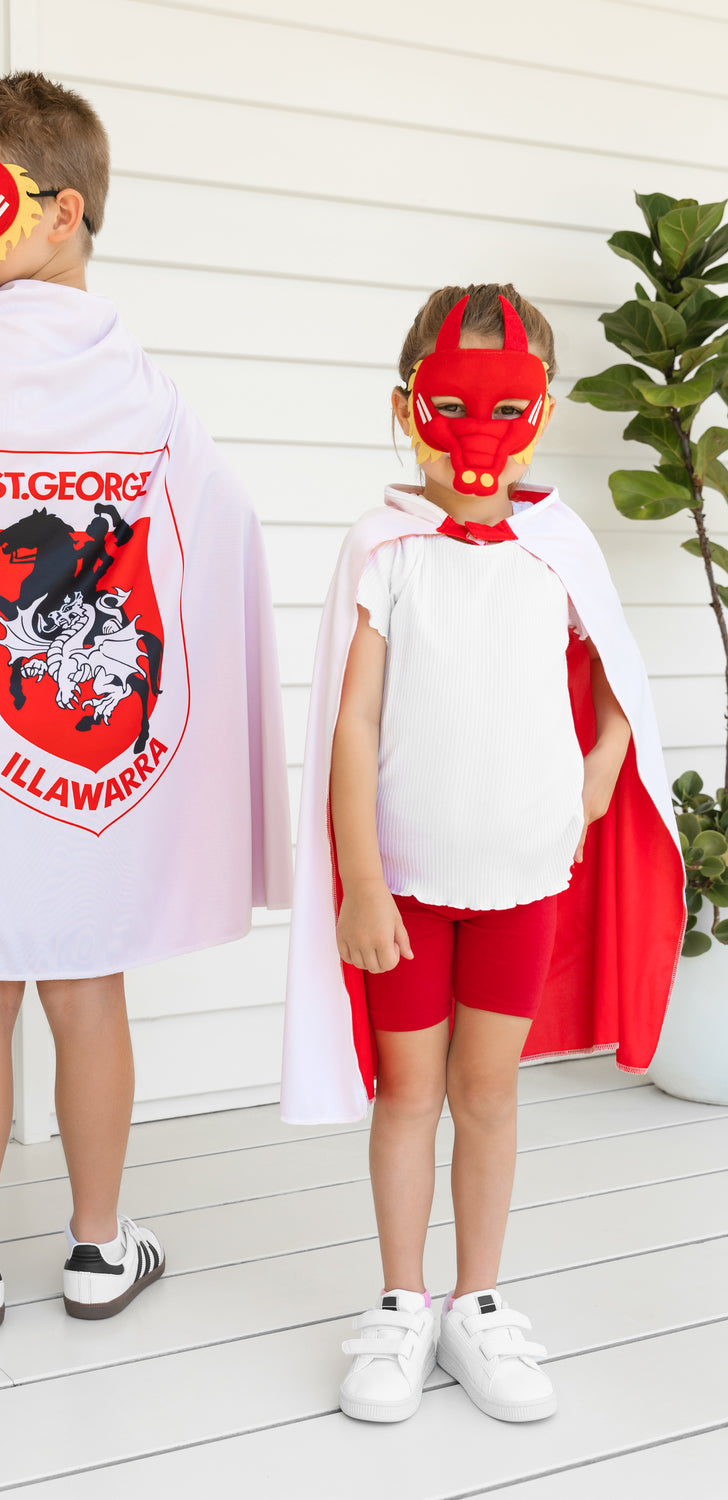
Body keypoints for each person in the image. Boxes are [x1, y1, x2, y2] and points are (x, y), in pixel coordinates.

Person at [0, 73, 291, 1332]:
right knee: (89, 988)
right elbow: (220, 524)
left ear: (61, 210)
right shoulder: (132, 375)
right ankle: (95, 1248)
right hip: (93, 777)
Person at [281, 284, 684, 1423]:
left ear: (540, 412)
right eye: (449, 408)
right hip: (405, 888)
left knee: (490, 1091)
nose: (475, 442)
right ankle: (404, 1302)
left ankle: (479, 1304)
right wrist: (361, 877)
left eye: (504, 409)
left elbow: (621, 679)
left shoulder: (560, 545)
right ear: (408, 407)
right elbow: (350, 723)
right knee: (408, 1092)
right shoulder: (386, 547)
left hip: (522, 880)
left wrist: (604, 761)